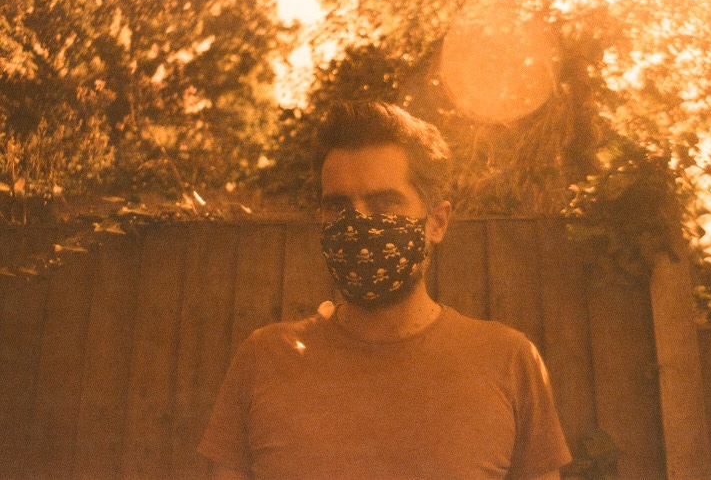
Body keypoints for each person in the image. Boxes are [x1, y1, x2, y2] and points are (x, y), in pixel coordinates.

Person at [197, 101, 572, 480]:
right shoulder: (263, 359)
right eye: (338, 206)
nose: (356, 222)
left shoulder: (509, 361)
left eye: (384, 203)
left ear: (437, 222)